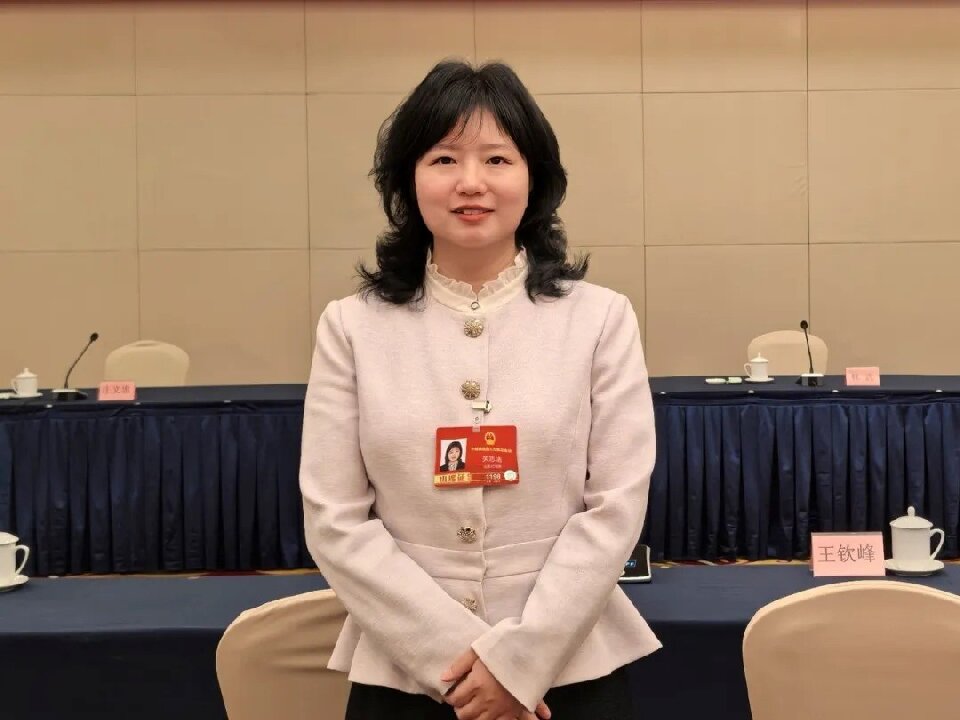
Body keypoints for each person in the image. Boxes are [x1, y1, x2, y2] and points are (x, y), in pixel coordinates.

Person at [299, 60, 660, 720]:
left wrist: (521, 663)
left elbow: (616, 504)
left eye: (497, 159)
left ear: (534, 178)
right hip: (406, 674)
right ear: (408, 180)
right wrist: (463, 667)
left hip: (568, 668)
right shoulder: (351, 327)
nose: (471, 182)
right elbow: (335, 519)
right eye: (444, 159)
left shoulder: (600, 319)